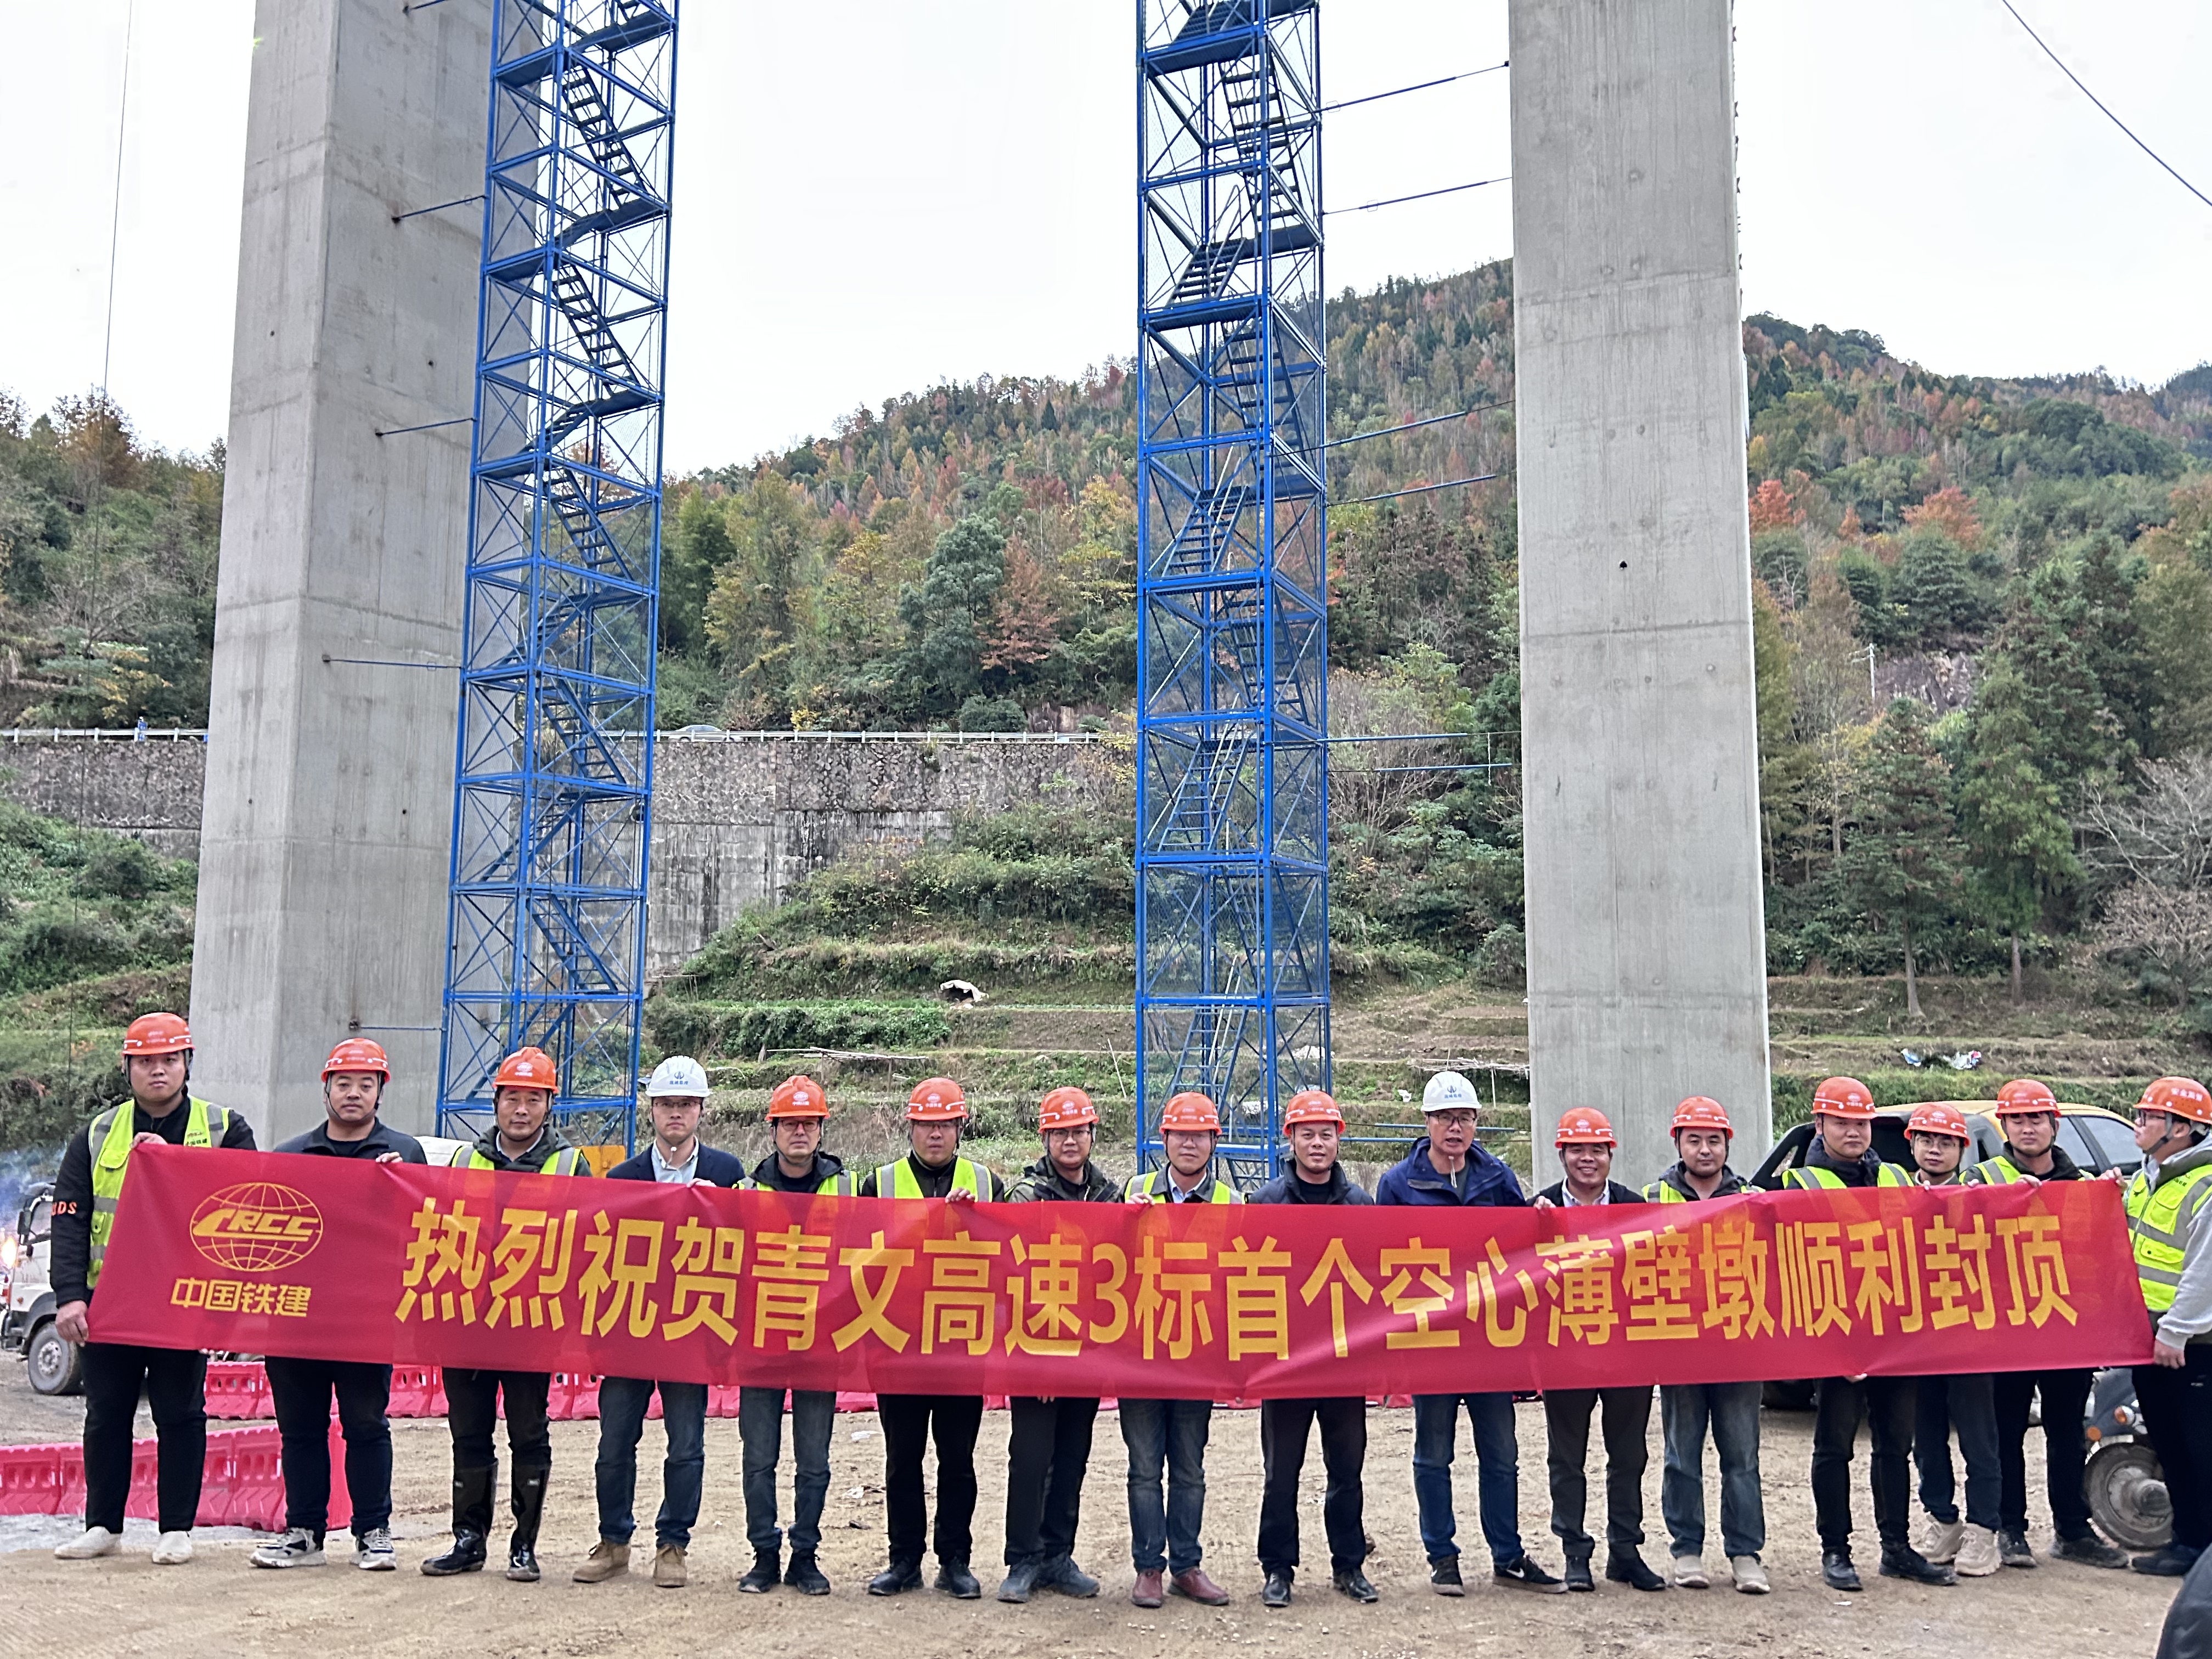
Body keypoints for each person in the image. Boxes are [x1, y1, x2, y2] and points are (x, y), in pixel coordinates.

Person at [49, 1013, 256, 1566]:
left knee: (181, 1414)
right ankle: (103, 1525)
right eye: (145, 1061)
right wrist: (69, 1295)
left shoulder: (225, 1129)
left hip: (184, 1302)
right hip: (111, 1303)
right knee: (106, 1414)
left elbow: (250, 1211)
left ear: (188, 1064)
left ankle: (176, 1529)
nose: (158, 1070)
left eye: (169, 1059)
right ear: (128, 1067)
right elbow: (69, 1219)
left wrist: (226, 1309)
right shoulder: (97, 1134)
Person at [1376, 1069, 1560, 1595]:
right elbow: (1378, 1260)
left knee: (1500, 1454)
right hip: (1431, 1341)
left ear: (1477, 1122)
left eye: (1465, 1118)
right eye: (1445, 1118)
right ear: (1427, 1122)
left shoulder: (1496, 1177)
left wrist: (1539, 1216)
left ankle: (1508, 1554)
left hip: (1488, 1342)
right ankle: (1442, 1556)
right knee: (1434, 1454)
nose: (1455, 1128)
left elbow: (1521, 1249)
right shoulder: (1398, 1184)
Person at [254, 1039, 426, 1572]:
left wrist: (405, 1185)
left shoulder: (404, 1155)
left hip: (365, 1319)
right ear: (326, 1089)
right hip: (296, 1318)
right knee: (300, 1429)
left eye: (366, 1085)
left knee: (366, 1426)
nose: (354, 1094)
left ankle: (373, 1532)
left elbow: (426, 1229)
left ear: (381, 1093)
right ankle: (304, 1532)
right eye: (344, 1084)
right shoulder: (289, 1156)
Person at [422, 1046, 591, 1584]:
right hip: (467, 1322)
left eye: (533, 1100)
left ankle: (524, 1545)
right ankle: (468, 1540)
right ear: (495, 1102)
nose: (522, 1109)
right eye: (512, 1098)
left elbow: (592, 1242)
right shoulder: (462, 1162)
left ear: (549, 1106)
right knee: (468, 1433)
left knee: (528, 1433)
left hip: (531, 1323)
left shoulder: (572, 1165)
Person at [575, 1056, 741, 1592]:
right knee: (614, 1444)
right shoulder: (623, 1179)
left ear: (701, 1110)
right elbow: (598, 1258)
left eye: (686, 1104)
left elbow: (744, 1253)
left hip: (691, 1330)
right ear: (652, 1109)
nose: (676, 1114)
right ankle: (614, 1541)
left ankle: (673, 1544)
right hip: (630, 1330)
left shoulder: (727, 1174)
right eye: (667, 1104)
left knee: (686, 1445)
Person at [1780, 1076, 1952, 1590]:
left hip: (1894, 1335)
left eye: (1862, 1123)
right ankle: (1836, 1551)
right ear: (1820, 1124)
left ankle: (1896, 1548)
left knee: (1895, 1445)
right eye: (1842, 1122)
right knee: (1835, 1447)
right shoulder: (1796, 1186)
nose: (1854, 1132)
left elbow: (1939, 1229)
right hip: (1837, 1336)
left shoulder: (1897, 1176)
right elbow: (1787, 1270)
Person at [1964, 1078, 2126, 1568]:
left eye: (2036, 1118)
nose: (2027, 1128)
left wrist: (2115, 1200)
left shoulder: (2083, 1187)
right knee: (2007, 1431)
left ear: (2054, 1124)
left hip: (2065, 1325)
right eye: (2016, 1120)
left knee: (2066, 1430)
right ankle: (2010, 1529)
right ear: (2004, 1126)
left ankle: (2073, 1530)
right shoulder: (1982, 1181)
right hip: (2007, 1329)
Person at [859, 1076, 1007, 1600]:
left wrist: (974, 1221)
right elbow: (859, 1261)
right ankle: (903, 1560)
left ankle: (955, 1559)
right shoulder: (879, 1184)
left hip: (961, 1345)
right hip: (897, 1343)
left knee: (957, 1459)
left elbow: (1006, 1260)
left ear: (961, 1127)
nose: (936, 1134)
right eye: (926, 1125)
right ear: (911, 1128)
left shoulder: (986, 1184)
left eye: (945, 1124)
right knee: (902, 1458)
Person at [1529, 1108, 1664, 1593]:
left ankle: (1625, 1551)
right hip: (1567, 1352)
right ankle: (1575, 1552)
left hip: (1627, 1353)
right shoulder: (1538, 1209)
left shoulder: (1635, 1208)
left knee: (1629, 1456)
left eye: (1597, 1150)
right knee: (1567, 1459)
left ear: (1611, 1154)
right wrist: (1535, 1228)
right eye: (1577, 1150)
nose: (1587, 1159)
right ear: (1561, 1154)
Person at [1252, 1090, 1375, 1607]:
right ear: (1291, 1139)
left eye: (1326, 1134)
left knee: (1347, 1471)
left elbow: (1377, 1281)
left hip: (1345, 1362)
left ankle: (1349, 1565)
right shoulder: (1265, 1204)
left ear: (1338, 1139)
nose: (1318, 1143)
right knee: (1282, 1473)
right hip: (1287, 1363)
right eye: (1308, 1134)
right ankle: (1278, 1569)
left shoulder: (1361, 1205)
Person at [731, 1073, 852, 1596]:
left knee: (814, 1461)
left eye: (808, 1123)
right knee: (759, 1459)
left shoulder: (848, 1189)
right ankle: (764, 1553)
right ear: (773, 1130)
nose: (799, 1132)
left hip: (820, 1346)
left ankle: (805, 1554)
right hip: (761, 1345)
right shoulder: (744, 1193)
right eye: (789, 1124)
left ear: (821, 1130)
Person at [996, 1086, 1119, 1604]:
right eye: (1060, 1133)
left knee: (1072, 1456)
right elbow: (1012, 1279)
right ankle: (1023, 1559)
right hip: (1035, 1352)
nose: (1071, 1141)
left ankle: (1058, 1556)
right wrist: (1041, 1359)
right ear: (1044, 1138)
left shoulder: (1109, 1196)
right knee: (1030, 1458)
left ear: (1092, 1135)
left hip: (1087, 1354)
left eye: (1079, 1131)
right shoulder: (1026, 1198)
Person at [1640, 1096, 1768, 1593]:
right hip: (1680, 1349)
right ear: (1678, 1144)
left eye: (1714, 1140)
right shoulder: (1650, 1199)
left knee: (1742, 1457)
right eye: (1694, 1140)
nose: (1705, 1149)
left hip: (1739, 1348)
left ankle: (1745, 1552)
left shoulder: (1754, 1199)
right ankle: (1687, 1549)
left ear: (1727, 1145)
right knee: (1681, 1455)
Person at [1119, 1090, 1239, 1610]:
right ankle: (1149, 1567)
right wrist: (1124, 1222)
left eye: (1200, 1136)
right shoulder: (1134, 1192)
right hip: (1141, 1354)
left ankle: (1186, 1566)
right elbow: (1104, 1261)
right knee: (1145, 1468)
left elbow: (1243, 1276)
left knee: (1189, 1468)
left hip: (1196, 1355)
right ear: (1164, 1140)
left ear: (1214, 1142)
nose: (1189, 1144)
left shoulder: (1233, 1203)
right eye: (1180, 1135)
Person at [1900, 1103, 2001, 1579]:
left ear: (1962, 1149)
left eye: (1946, 1143)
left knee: (1979, 1438)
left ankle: (1984, 1528)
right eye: (1927, 1140)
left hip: (1969, 1338)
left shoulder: (1982, 1198)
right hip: (1916, 1341)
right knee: (1927, 1438)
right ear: (1912, 1146)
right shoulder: (1893, 1197)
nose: (1935, 1150)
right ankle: (1943, 1520)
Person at [2122, 1074, 2212, 1577]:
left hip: (2193, 1345)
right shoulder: (2148, 1178)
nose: (2138, 1124)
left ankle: (2203, 1551)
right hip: (2149, 1337)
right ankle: (2189, 1542)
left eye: (2148, 1117)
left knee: (2201, 1449)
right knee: (2171, 1444)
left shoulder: (2205, 1184)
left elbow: (2205, 1271)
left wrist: (2176, 1331)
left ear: (2181, 1129)